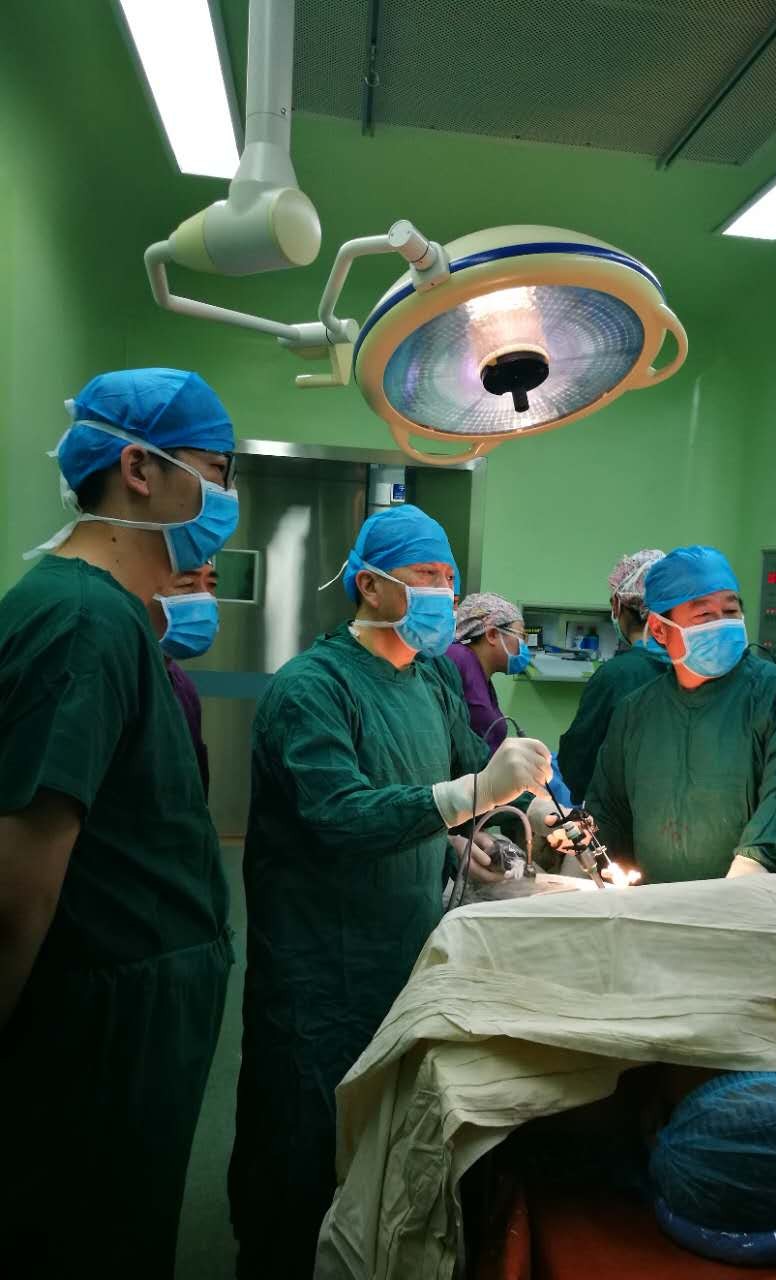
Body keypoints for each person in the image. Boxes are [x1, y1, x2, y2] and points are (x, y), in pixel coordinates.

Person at [230, 504, 556, 1280]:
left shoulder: (432, 678)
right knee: (304, 1149)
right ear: (370, 586)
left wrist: (478, 832)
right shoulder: (311, 689)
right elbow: (341, 814)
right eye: (425, 576)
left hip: (405, 955)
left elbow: (454, 770)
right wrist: (470, 795)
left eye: (450, 577)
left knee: (382, 1152)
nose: (444, 592)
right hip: (319, 971)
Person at [0, 369, 239, 1278]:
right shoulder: (80, 623)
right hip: (87, 1051)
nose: (226, 502)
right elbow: (14, 898)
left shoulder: (117, 622)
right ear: (139, 469)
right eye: (216, 473)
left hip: (126, 1036)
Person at [585, 545, 776, 883]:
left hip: (758, 900)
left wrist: (753, 864)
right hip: (654, 904)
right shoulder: (635, 712)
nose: (722, 624)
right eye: (704, 615)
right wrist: (589, 855)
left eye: (731, 610)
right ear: (660, 630)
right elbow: (608, 810)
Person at [558, 549, 667, 802]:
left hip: (620, 814)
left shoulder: (617, 675)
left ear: (618, 605)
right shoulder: (692, 670)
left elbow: (578, 760)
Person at [150, 561, 220, 798]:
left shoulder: (183, 688)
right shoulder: (119, 680)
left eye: (211, 585)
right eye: (187, 585)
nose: (204, 598)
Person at [445, 592, 531, 749]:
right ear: (492, 635)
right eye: (521, 636)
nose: (524, 644)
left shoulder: (478, 670)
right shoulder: (457, 660)